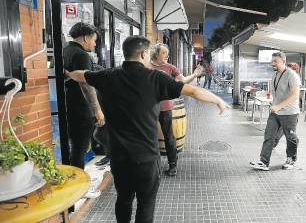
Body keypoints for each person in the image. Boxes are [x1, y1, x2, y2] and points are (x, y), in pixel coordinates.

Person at [65, 36, 228, 223]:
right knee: (146, 203)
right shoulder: (155, 78)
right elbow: (193, 91)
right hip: (147, 158)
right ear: (142, 53)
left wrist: (69, 73)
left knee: (124, 200)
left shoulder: (107, 76)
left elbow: (81, 75)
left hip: (119, 157)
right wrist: (218, 100)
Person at [149, 43, 203, 176]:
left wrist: (194, 75)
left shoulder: (170, 68)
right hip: (149, 108)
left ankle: (172, 165)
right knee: (150, 137)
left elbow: (182, 81)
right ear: (156, 54)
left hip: (165, 108)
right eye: (164, 53)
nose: (167, 56)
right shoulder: (146, 67)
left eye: (167, 53)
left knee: (169, 137)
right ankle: (152, 165)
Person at [63, 22, 105, 169]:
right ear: (86, 38)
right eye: (94, 40)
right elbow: (86, 85)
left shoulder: (64, 50)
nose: (94, 44)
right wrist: (97, 110)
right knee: (79, 148)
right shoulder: (81, 54)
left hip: (69, 102)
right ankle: (78, 184)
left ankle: (73, 177)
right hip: (81, 106)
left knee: (75, 145)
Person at [250, 52, 301, 171]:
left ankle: (291, 160)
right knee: (269, 135)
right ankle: (263, 162)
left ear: (283, 61)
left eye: (275, 61)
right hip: (275, 112)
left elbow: (295, 95)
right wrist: (274, 104)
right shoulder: (275, 75)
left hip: (290, 113)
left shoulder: (291, 75)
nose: (272, 63)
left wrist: (279, 106)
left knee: (291, 137)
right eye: (272, 61)